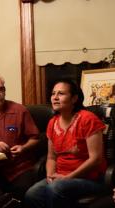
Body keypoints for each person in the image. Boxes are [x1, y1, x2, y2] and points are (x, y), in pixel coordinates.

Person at [24, 79, 107, 208]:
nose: (55, 98)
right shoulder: (52, 122)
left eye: (61, 94)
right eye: (53, 94)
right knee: (32, 193)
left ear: (74, 98)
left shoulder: (88, 119)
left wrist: (68, 177)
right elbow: (51, 157)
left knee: (56, 188)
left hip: (90, 179)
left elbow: (96, 159)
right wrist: (50, 176)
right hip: (60, 177)